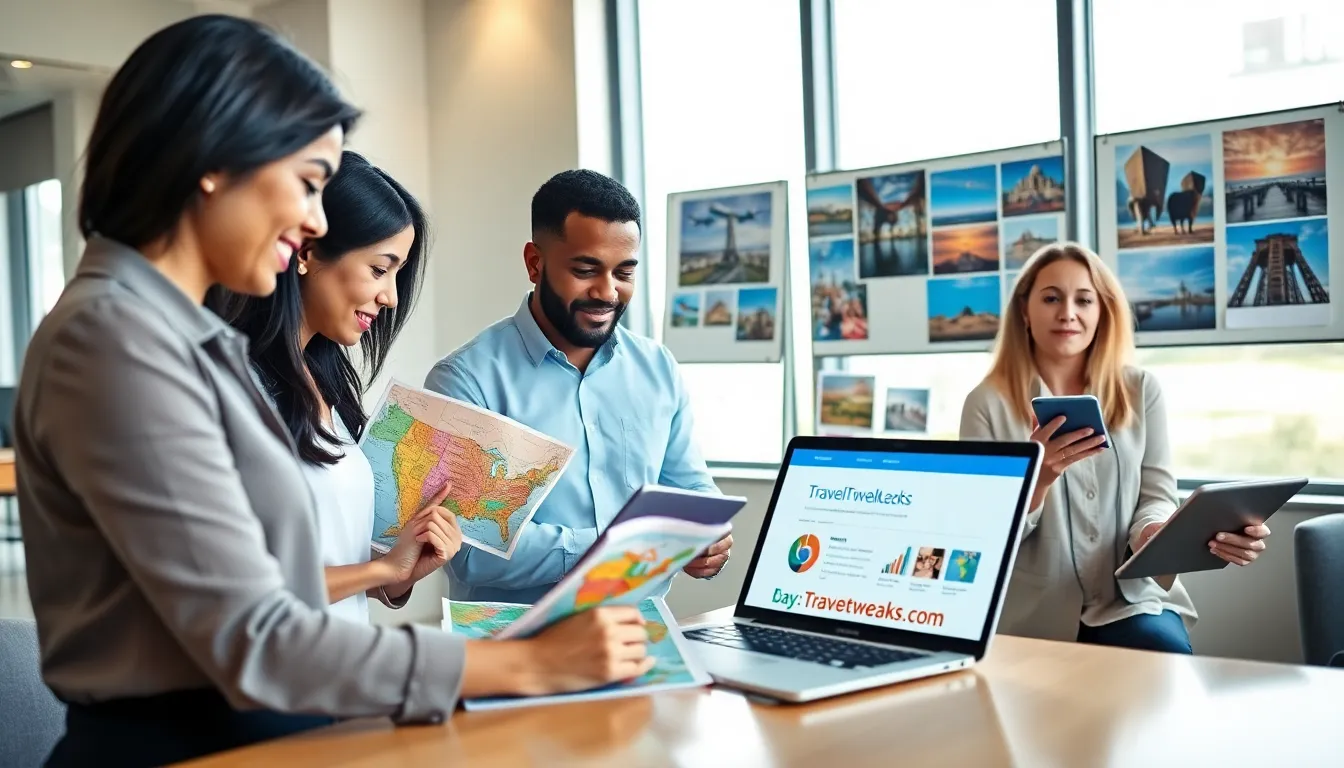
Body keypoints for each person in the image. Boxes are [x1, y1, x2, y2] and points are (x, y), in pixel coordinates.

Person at [13, 17, 650, 766]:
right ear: (216, 160)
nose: (315, 221)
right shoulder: (115, 342)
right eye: (310, 182)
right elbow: (258, 636)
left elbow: (275, 594)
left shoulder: (181, 341)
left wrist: (388, 577)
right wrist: (533, 663)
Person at [423, 169, 731, 604]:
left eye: (624, 272)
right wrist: (624, 547)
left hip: (640, 638)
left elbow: (691, 491)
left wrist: (708, 537)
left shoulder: (657, 368)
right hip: (516, 651)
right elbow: (470, 551)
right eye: (586, 270)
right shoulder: (465, 381)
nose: (607, 292)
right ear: (535, 263)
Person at [959, 242, 1271, 654]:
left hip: (1130, 601)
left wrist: (1153, 534)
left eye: (1084, 300)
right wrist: (1038, 479)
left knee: (1167, 657)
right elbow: (981, 534)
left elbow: (1156, 496)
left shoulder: (1141, 391)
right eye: (1051, 297)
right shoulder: (986, 404)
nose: (1067, 313)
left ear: (1102, 311)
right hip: (1031, 614)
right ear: (1024, 310)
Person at [208, 151, 460, 624]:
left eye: (398, 275)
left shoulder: (327, 384)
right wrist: (379, 567)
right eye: (380, 269)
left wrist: (398, 571)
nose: (391, 298)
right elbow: (239, 582)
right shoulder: (236, 388)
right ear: (307, 252)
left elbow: (329, 551)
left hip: (340, 666)